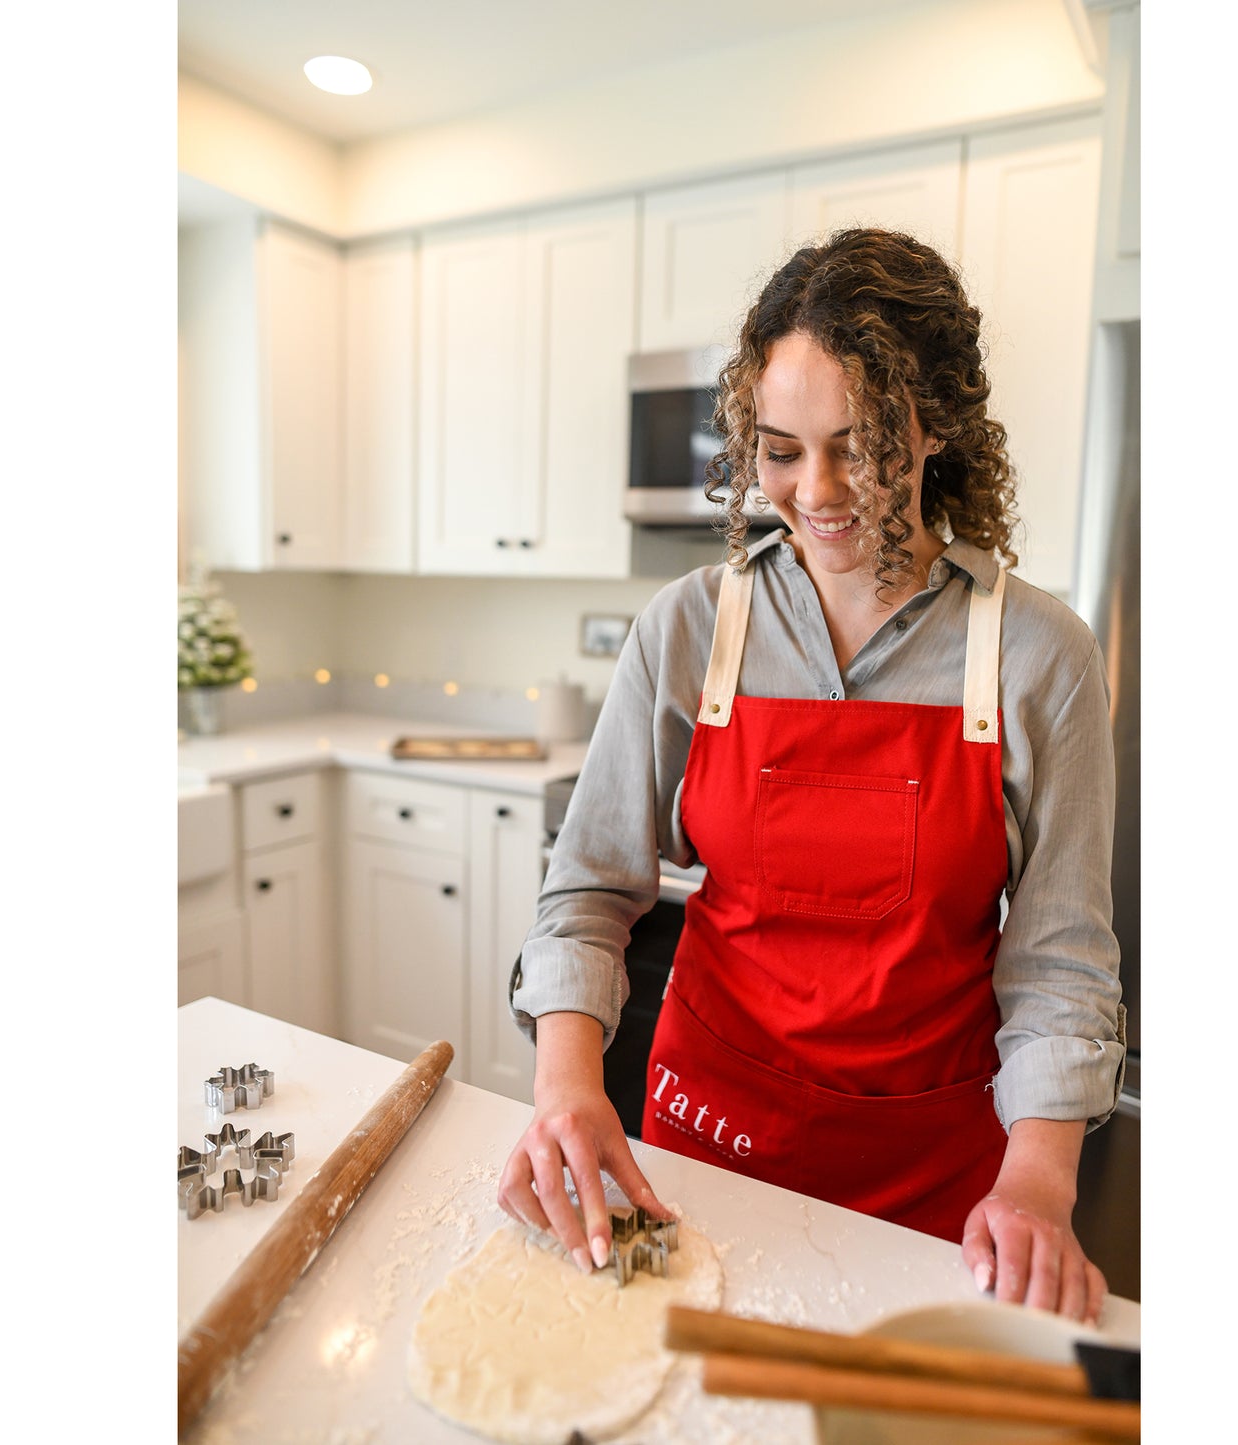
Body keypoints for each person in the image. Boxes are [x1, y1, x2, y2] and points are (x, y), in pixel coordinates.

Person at [498, 228, 1126, 1325]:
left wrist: (1036, 1180)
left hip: (933, 1179)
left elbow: (1060, 959)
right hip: (703, 1140)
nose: (816, 490)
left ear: (934, 428)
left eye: (858, 444)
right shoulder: (692, 626)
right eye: (779, 450)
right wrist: (566, 1085)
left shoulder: (1036, 656)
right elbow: (588, 888)